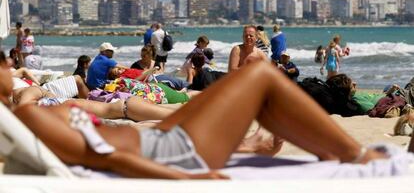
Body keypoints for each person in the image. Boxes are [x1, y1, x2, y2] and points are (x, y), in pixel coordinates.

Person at [0, 50, 388, 179]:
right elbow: (105, 156)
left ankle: (253, 140)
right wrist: (185, 176)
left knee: (251, 73)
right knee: (258, 74)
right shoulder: (31, 118)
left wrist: (26, 92)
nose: (12, 69)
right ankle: (355, 155)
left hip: (162, 136)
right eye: (6, 66)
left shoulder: (26, 114)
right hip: (172, 150)